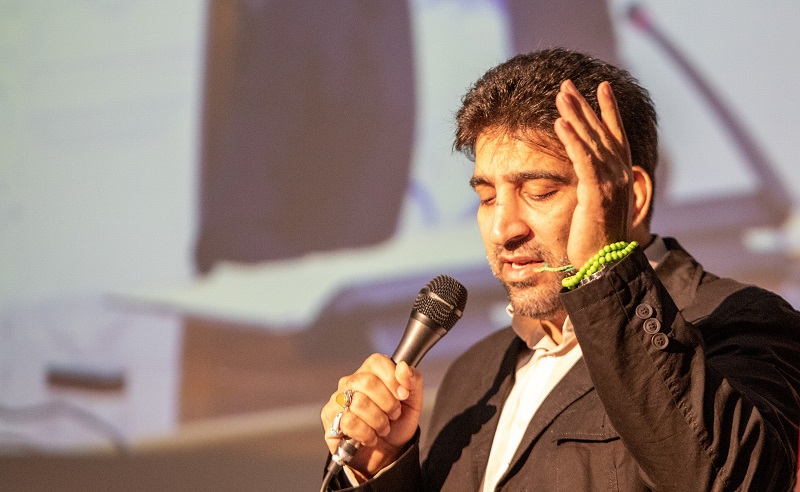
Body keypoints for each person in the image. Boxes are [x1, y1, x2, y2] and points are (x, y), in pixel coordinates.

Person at [320, 48, 800, 491]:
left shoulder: (741, 320)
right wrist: (381, 469)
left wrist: (604, 270)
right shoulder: (475, 373)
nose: (502, 229)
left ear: (629, 197)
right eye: (486, 197)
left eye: (540, 192)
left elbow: (731, 481)